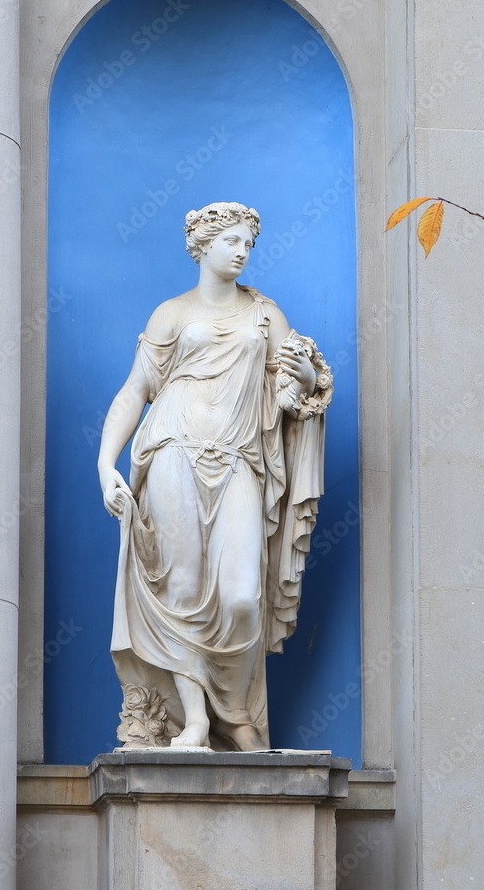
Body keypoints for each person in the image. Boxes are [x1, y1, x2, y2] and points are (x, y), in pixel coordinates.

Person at [98, 201, 333, 751]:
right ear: (203, 246)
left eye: (249, 243)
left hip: (241, 458)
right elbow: (136, 391)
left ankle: (233, 710)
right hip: (173, 448)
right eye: (232, 240)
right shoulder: (171, 314)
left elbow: (294, 391)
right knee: (180, 586)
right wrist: (106, 464)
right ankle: (197, 718)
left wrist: (305, 375)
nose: (243, 251)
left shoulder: (265, 315)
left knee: (243, 595)